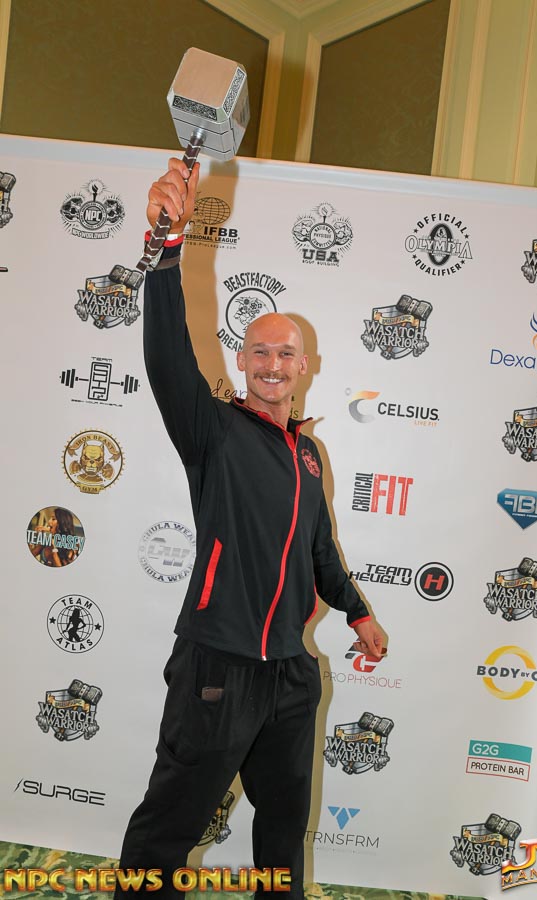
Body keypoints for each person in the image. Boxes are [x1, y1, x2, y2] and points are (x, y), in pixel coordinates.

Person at [115, 159, 385, 899]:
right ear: (242, 360)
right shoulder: (214, 431)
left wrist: (357, 611)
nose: (272, 363)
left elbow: (319, 550)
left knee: (283, 831)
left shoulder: (308, 453)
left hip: (290, 674)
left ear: (305, 366)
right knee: (168, 828)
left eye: (285, 353)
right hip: (218, 665)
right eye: (259, 351)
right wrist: (167, 251)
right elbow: (168, 358)